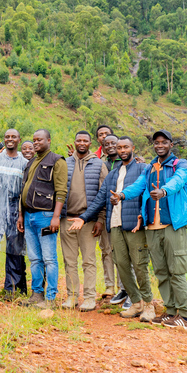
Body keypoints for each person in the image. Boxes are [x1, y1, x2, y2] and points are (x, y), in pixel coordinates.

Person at [113, 130, 187, 330]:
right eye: (156, 143)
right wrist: (122, 195)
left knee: (177, 270)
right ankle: (170, 311)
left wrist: (164, 190)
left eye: (163, 142)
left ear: (171, 144)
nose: (159, 145)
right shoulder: (150, 167)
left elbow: (178, 181)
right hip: (152, 227)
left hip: (172, 226)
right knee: (161, 271)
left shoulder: (180, 164)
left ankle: (183, 316)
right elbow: (139, 186)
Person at [68, 136, 154, 321]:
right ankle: (136, 302)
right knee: (121, 265)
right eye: (119, 147)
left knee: (139, 265)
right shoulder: (113, 173)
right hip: (115, 225)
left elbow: (146, 194)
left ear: (132, 148)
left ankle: (149, 305)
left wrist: (143, 216)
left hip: (134, 226)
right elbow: (100, 197)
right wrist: (84, 218)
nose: (122, 150)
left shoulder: (142, 168)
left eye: (125, 147)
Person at [17, 129, 67, 309]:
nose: (36, 142)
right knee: (34, 258)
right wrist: (21, 215)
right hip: (29, 216)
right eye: (34, 140)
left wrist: (56, 216)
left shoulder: (57, 161)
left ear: (49, 140)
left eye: (40, 140)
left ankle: (51, 298)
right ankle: (36, 295)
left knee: (49, 258)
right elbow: (24, 189)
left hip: (46, 216)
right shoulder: (32, 161)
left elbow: (61, 191)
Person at [59, 131, 108, 311]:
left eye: (85, 141)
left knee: (88, 260)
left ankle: (89, 298)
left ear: (90, 143)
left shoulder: (99, 164)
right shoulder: (64, 163)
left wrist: (100, 219)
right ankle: (72, 297)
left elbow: (103, 194)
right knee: (69, 260)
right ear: (75, 142)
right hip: (67, 219)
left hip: (89, 220)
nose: (81, 143)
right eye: (78, 140)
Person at [0, 129, 29, 298]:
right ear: (4, 139)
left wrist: (22, 213)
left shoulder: (25, 162)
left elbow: (25, 190)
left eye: (13, 137)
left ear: (19, 139)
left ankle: (11, 288)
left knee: (14, 249)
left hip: (16, 206)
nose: (10, 139)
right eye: (7, 137)